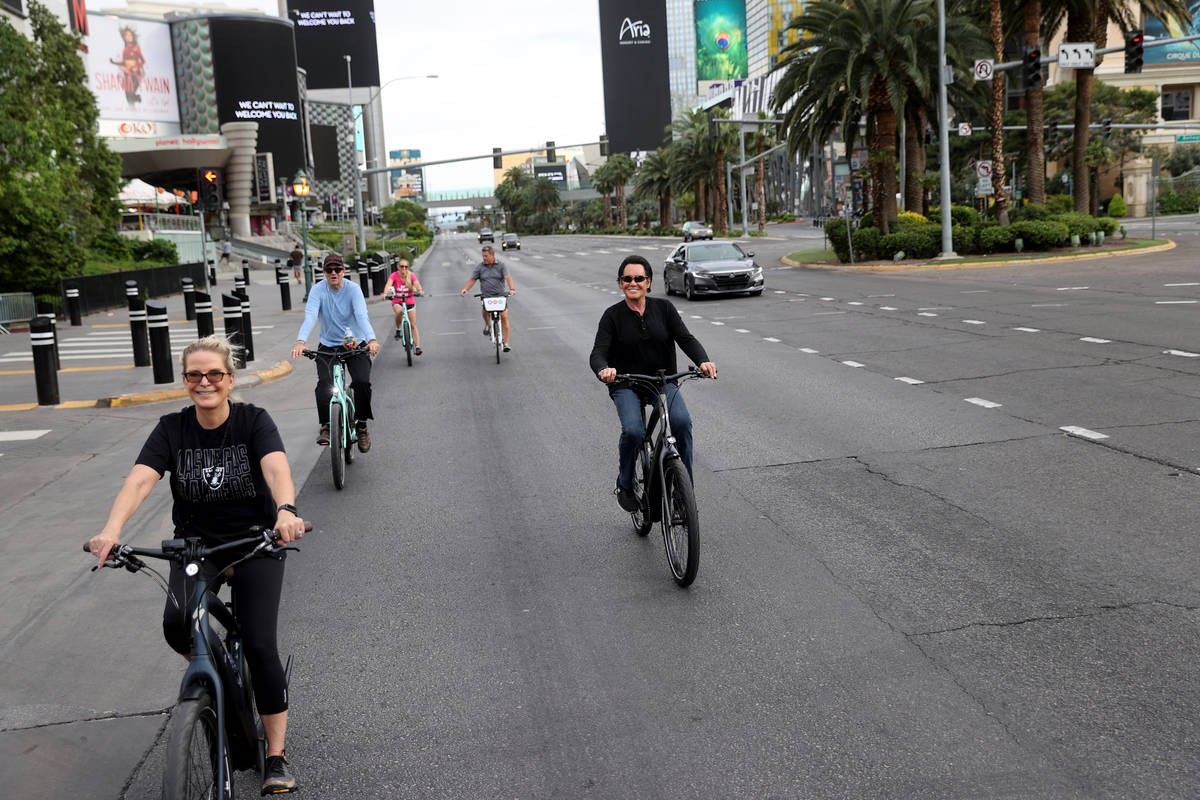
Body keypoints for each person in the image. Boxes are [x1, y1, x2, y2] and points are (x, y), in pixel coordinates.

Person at [87, 336, 306, 794]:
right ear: (185, 381)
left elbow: (276, 468)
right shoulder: (172, 429)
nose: (204, 383)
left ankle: (275, 753)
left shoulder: (253, 421)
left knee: (261, 644)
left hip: (255, 541)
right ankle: (215, 682)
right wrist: (111, 529)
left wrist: (285, 510)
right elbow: (140, 481)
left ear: (229, 380)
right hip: (195, 547)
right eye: (194, 375)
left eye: (214, 375)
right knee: (177, 624)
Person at [589, 255, 717, 511]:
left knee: (681, 423)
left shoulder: (664, 309)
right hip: (626, 384)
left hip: (663, 380)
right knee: (634, 432)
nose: (633, 282)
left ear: (648, 282)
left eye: (639, 278)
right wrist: (604, 369)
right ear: (620, 283)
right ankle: (625, 483)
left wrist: (703, 360)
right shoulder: (612, 316)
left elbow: (685, 338)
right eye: (627, 278)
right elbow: (598, 352)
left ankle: (683, 493)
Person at [290, 254, 380, 451]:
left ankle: (362, 425)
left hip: (355, 345)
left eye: (337, 270)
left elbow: (361, 315)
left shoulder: (353, 290)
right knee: (324, 385)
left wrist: (371, 339)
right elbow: (311, 316)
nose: (333, 273)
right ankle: (327, 426)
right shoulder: (317, 290)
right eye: (329, 270)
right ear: (323, 272)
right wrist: (300, 341)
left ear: (343, 271)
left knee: (362, 383)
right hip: (328, 346)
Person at [459, 244, 515, 352]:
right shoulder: (480, 267)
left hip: (500, 295)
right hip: (486, 296)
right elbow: (472, 280)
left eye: (486, 256)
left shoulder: (501, 266)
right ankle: (488, 325)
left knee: (504, 317)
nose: (484, 258)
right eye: (483, 256)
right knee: (485, 312)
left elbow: (508, 277)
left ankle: (506, 343)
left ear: (492, 255)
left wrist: (512, 289)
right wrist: (466, 289)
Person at [384, 257, 425, 354]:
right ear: (398, 267)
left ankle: (418, 347)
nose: (404, 269)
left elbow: (417, 284)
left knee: (413, 325)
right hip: (397, 300)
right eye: (401, 266)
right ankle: (398, 329)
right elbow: (388, 285)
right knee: (399, 311)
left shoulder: (411, 275)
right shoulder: (394, 275)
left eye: (406, 267)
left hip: (410, 301)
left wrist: (420, 291)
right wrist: (386, 293)